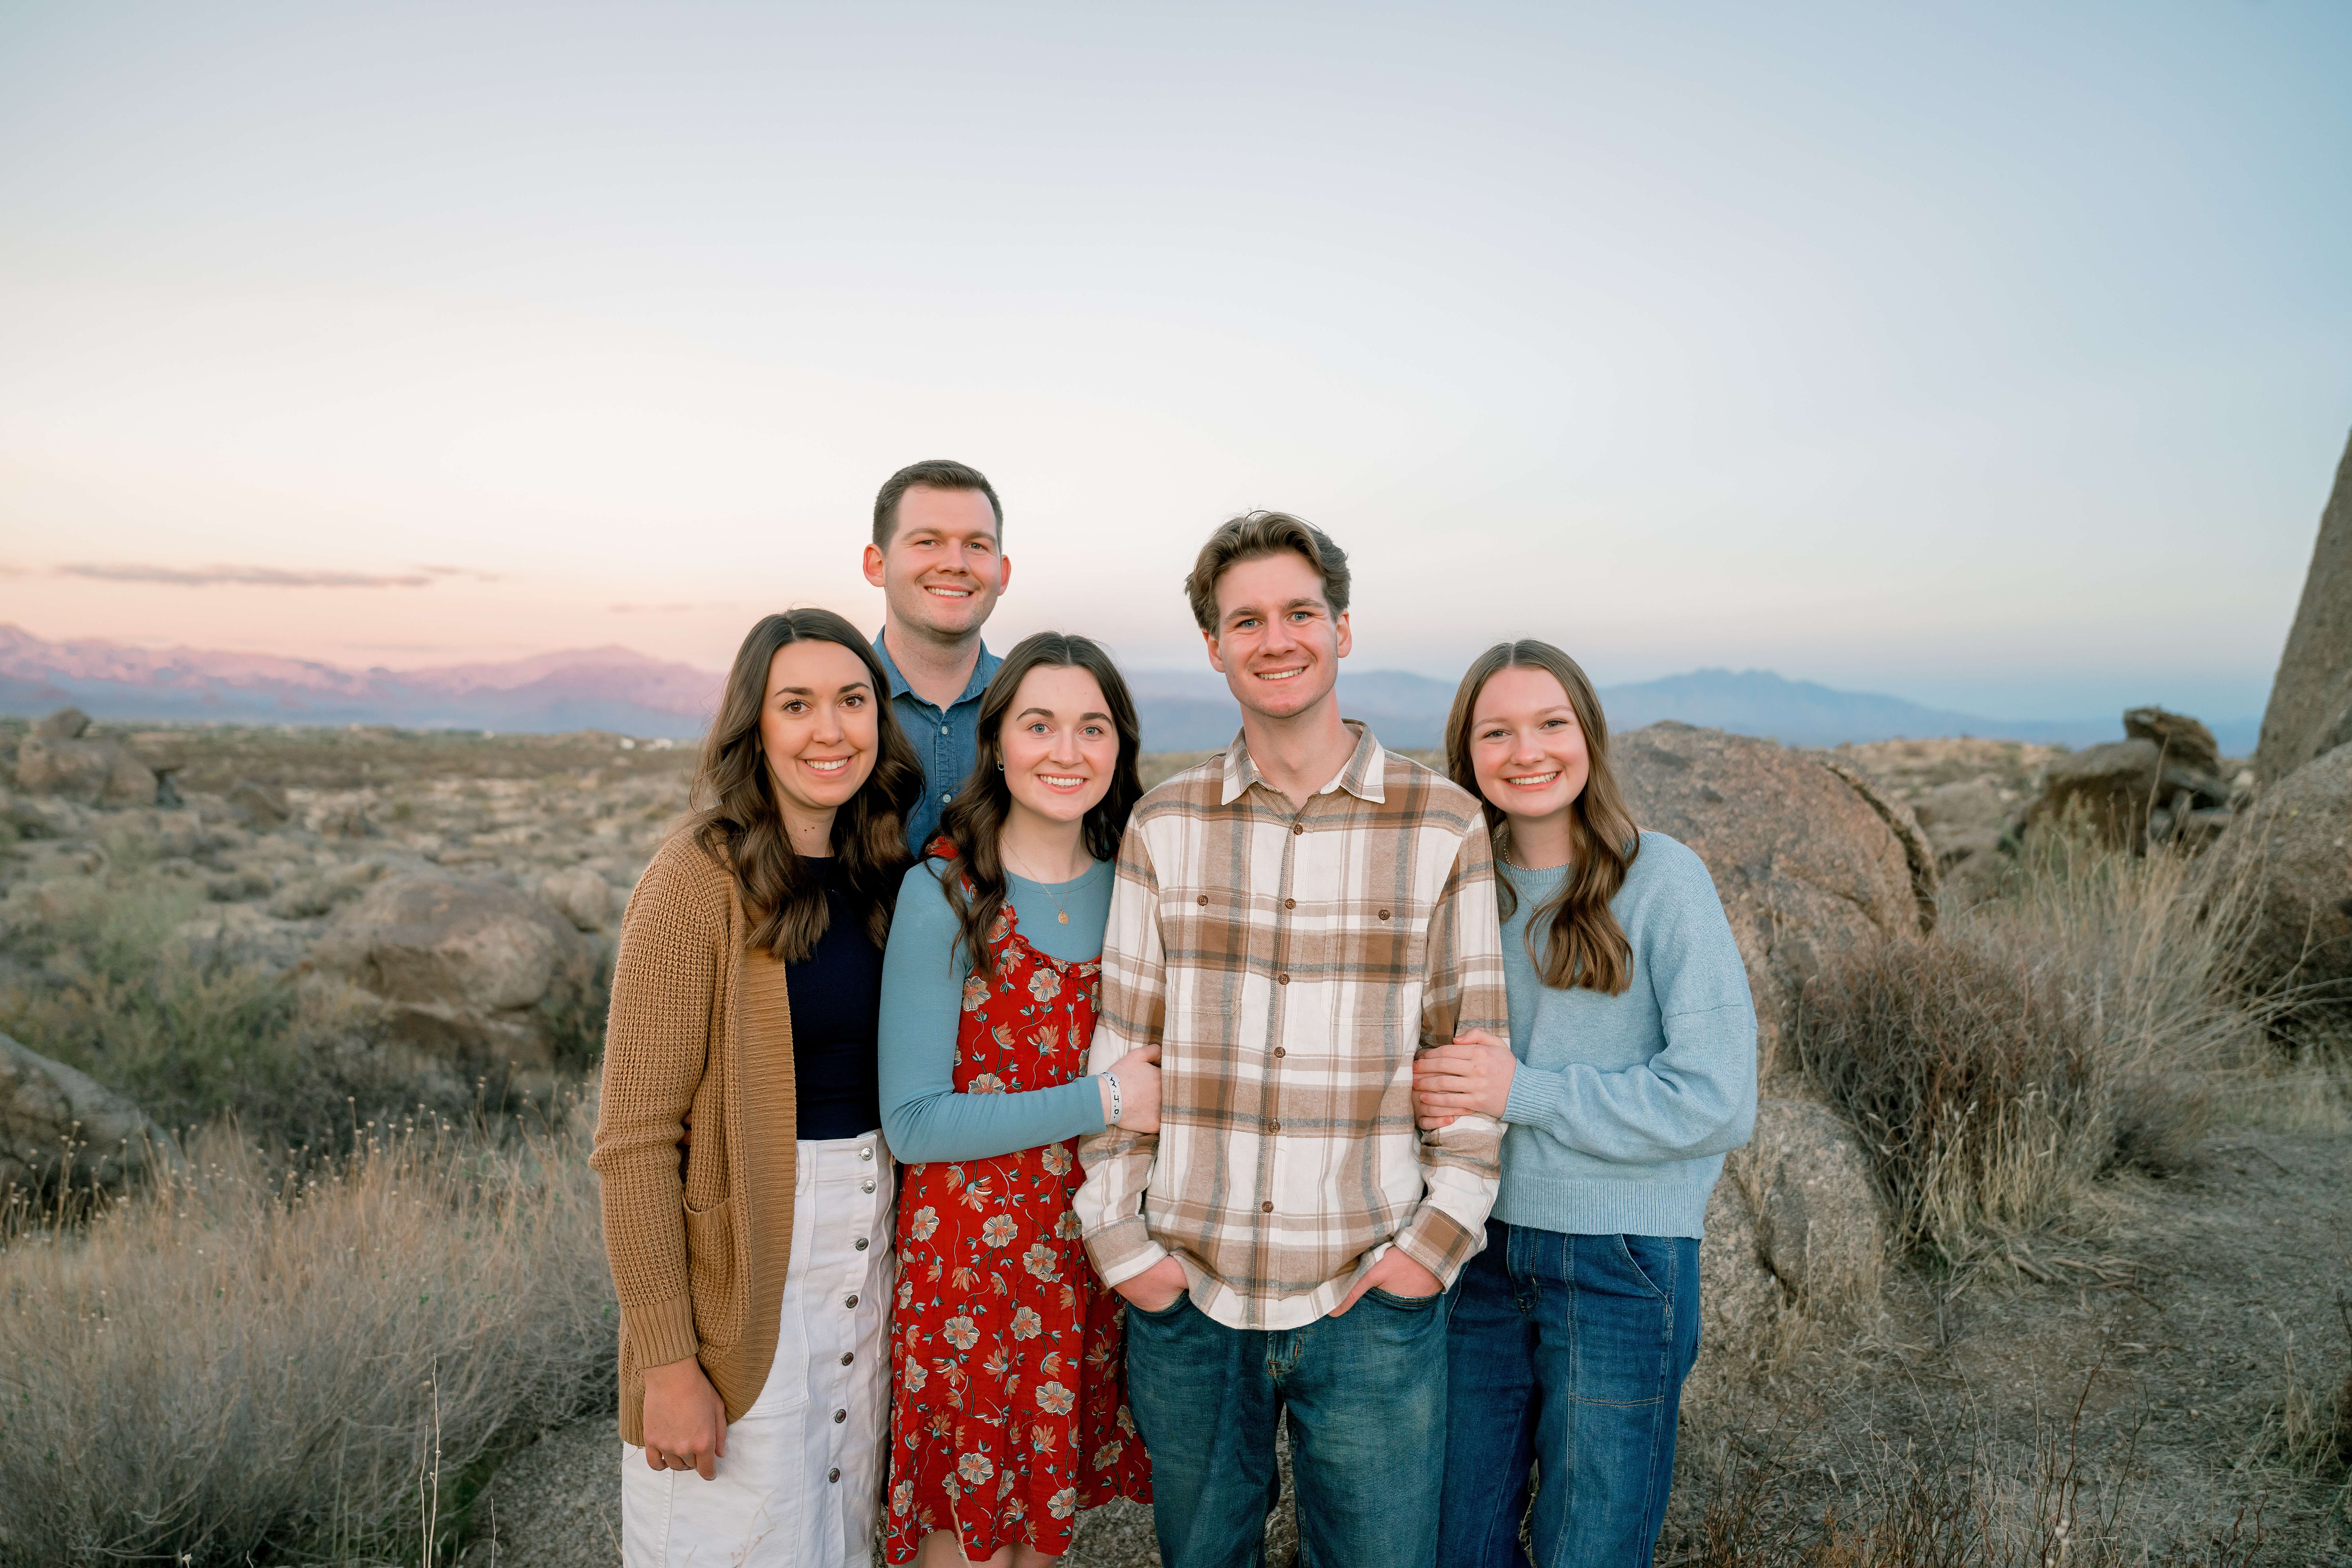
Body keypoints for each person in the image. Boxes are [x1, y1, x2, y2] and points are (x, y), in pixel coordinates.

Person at [1072, 511, 1509, 1568]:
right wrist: (1124, 1251)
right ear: (1214, 645)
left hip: (1368, 1293)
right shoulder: (1163, 825)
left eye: (1299, 612)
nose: (1277, 638)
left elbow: (1470, 1056)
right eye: (1246, 619)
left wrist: (1426, 1252)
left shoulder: (1440, 823)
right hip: (1189, 1292)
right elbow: (1121, 1049)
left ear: (1342, 629)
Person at [1413, 639, 1757, 1568]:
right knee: (1457, 1543)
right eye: (1497, 731)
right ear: (1468, 753)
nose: (1526, 751)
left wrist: (1524, 1092)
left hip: (1621, 1262)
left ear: (1588, 736)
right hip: (1474, 1251)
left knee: (1588, 1548)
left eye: (1549, 723)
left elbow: (1719, 1098)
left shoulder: (1662, 877)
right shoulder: (1455, 889)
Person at [592, 608, 922, 1568]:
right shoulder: (696, 875)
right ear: (755, 725)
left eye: (853, 701)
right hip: (744, 1267)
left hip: (871, 1261)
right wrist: (666, 1360)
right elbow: (634, 1141)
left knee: (838, 1535)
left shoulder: (884, 874)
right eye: (798, 704)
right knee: (732, 1539)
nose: (830, 730)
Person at [876, 632, 1160, 1565]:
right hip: (971, 1277)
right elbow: (914, 1123)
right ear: (998, 739)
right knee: (966, 1547)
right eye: (1039, 724)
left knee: (1043, 1541)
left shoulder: (1138, 890)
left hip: (1086, 1264)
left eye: (1091, 727)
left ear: (1119, 745)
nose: (1066, 751)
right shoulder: (946, 890)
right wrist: (1105, 1098)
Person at [865, 458, 1012, 856]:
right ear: (877, 565)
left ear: (1003, 573)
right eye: (928, 541)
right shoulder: (825, 713)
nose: (955, 563)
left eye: (976, 546)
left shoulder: (1037, 708)